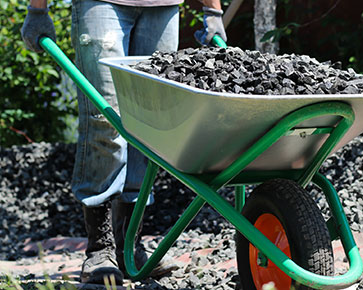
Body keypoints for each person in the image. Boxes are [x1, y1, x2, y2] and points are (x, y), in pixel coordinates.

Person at [21, 0, 226, 285]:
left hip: (163, 7)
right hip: (101, 4)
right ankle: (100, 249)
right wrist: (37, 8)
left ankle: (130, 247)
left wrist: (213, 10)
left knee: (150, 125)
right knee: (105, 118)